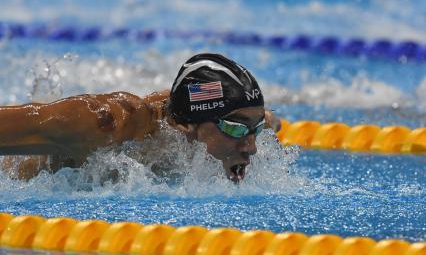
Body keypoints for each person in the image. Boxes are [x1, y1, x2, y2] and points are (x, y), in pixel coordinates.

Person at [0, 53, 280, 183]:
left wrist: (260, 122)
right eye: (235, 128)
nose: (251, 146)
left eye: (253, 128)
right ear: (186, 126)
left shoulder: (227, 124)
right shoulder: (108, 124)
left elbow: (267, 119)